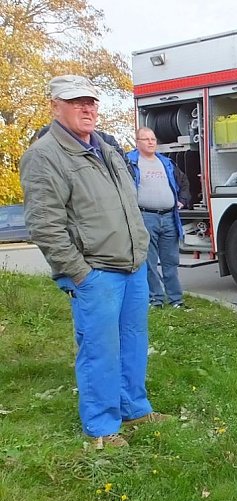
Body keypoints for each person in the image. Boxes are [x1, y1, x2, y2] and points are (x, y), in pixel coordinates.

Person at [19, 74, 169, 449]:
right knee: (100, 349)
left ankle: (134, 408)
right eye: (75, 102)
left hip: (132, 267)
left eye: (91, 102)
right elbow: (44, 226)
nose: (87, 108)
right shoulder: (44, 155)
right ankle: (101, 429)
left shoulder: (106, 147)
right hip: (96, 273)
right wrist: (81, 275)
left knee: (133, 341)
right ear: (55, 106)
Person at [127, 127, 191, 308]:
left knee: (171, 261)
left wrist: (182, 200)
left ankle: (176, 300)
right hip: (146, 217)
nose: (150, 142)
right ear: (137, 142)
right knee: (150, 262)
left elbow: (184, 182)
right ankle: (156, 300)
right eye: (145, 139)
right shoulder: (129, 163)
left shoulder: (166, 163)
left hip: (170, 218)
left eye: (153, 139)